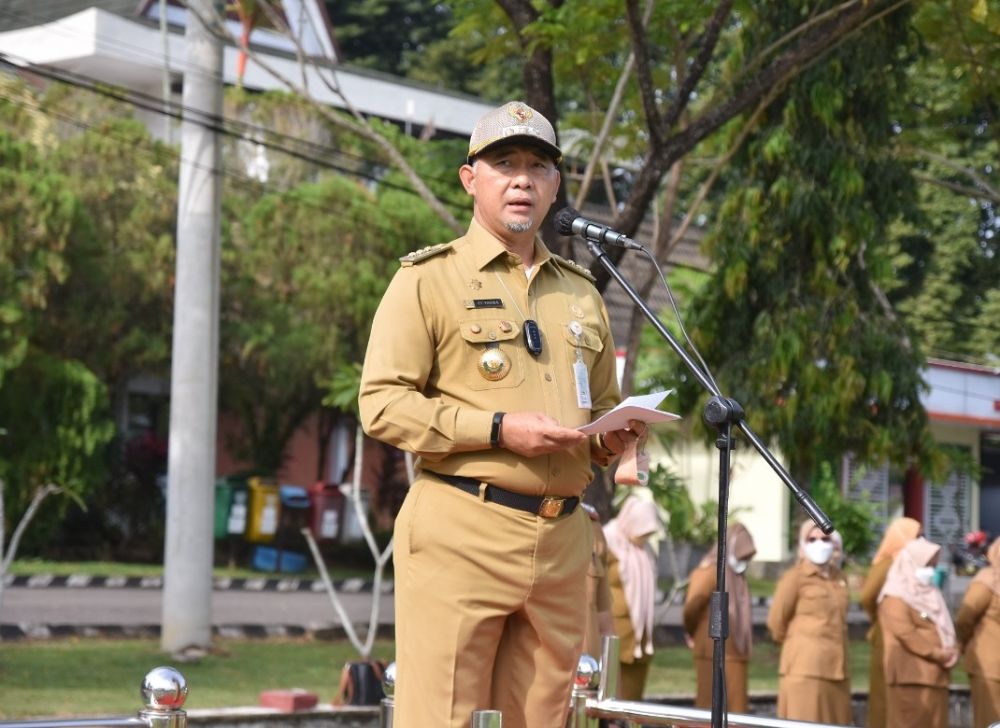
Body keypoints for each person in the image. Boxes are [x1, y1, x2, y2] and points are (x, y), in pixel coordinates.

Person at [358, 100, 641, 728]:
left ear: (555, 186)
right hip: (463, 528)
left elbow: (595, 412)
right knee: (444, 719)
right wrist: (496, 428)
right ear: (470, 179)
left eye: (538, 167)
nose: (522, 179)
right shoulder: (427, 280)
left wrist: (617, 438)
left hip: (563, 540)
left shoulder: (581, 292)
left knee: (544, 720)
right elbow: (381, 405)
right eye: (504, 163)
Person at [766, 520, 852, 724]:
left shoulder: (839, 578)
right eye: (812, 539)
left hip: (837, 669)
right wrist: (799, 646)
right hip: (805, 669)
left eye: (825, 539)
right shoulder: (794, 578)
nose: (819, 544)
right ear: (803, 544)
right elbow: (776, 621)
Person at [877, 537, 958, 728]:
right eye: (927, 565)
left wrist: (953, 648)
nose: (931, 570)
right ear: (911, 564)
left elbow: (944, 626)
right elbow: (906, 633)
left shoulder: (931, 593)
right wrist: (938, 653)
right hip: (911, 677)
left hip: (936, 676)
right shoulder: (895, 597)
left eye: (934, 564)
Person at [683, 522, 757, 713]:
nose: (743, 561)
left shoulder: (736, 576)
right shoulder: (710, 573)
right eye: (741, 555)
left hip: (736, 653)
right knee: (711, 709)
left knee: (735, 713)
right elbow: (692, 608)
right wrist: (692, 632)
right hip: (711, 653)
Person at [859, 516, 922, 728]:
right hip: (886, 638)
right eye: (916, 536)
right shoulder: (888, 563)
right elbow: (867, 596)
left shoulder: (913, 563)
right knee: (883, 694)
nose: (921, 541)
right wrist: (880, 617)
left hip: (909, 638)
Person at [604, 491, 663, 700]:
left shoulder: (645, 552)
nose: (645, 537)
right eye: (642, 532)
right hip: (615, 632)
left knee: (634, 698)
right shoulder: (609, 542)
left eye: (648, 533)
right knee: (612, 693)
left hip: (641, 636)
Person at [956, 535, 1000, 728]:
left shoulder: (988, 580)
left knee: (988, 719)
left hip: (988, 662)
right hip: (990, 665)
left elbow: (966, 616)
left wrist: (962, 642)